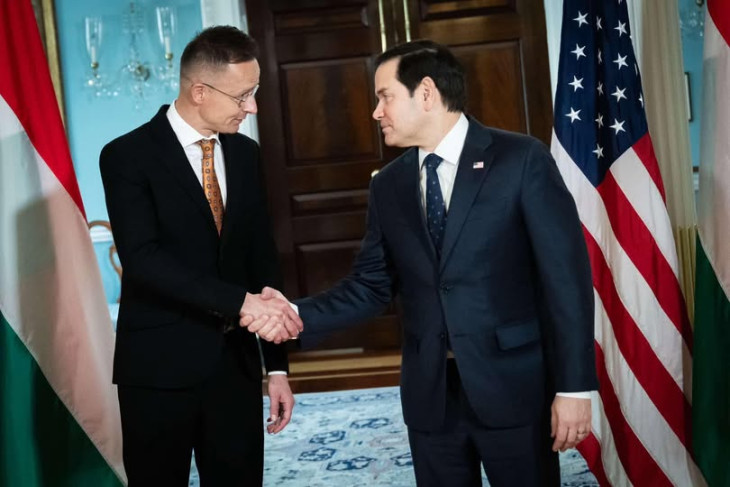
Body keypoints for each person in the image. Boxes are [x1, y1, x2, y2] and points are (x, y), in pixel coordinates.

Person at [243, 40, 598, 486]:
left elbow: (566, 281)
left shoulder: (521, 159)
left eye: (385, 96)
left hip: (513, 386)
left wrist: (574, 386)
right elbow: (371, 285)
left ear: (426, 93)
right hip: (431, 394)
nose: (376, 112)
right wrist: (294, 314)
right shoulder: (389, 185)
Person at [100, 26, 302, 486]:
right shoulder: (126, 156)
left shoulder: (246, 154)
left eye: (254, 93)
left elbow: (261, 258)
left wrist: (276, 367)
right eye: (243, 96)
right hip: (158, 367)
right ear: (199, 92)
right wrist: (241, 302)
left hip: (235, 366)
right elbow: (144, 260)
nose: (252, 108)